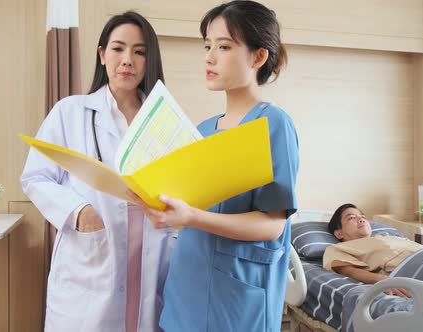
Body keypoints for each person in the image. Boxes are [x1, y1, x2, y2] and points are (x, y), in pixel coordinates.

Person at [128, 2, 298, 331]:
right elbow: (187, 209)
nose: (209, 57)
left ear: (258, 56)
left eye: (224, 46)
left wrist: (191, 217)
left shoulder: (273, 125)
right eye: (207, 45)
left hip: (234, 303)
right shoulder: (202, 130)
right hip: (185, 291)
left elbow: (272, 226)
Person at [21, 11, 177, 332]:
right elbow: (35, 177)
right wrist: (78, 211)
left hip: (151, 256)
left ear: (149, 60)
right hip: (93, 257)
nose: (127, 60)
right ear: (102, 54)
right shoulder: (71, 112)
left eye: (139, 51)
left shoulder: (164, 121)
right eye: (118, 49)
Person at [324, 203, 423, 298]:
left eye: (363, 217)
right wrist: (384, 281)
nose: (361, 220)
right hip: (416, 268)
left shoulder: (387, 237)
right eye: (351, 218)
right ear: (339, 233)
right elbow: (349, 271)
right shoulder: (337, 248)